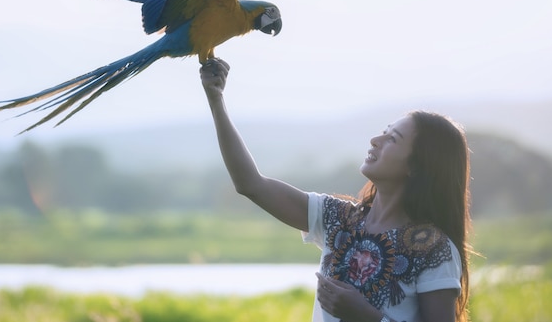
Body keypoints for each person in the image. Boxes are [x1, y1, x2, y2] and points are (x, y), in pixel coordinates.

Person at [200, 58, 472, 322]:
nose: (375, 140)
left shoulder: (433, 249)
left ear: (416, 166)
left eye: (393, 139)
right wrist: (216, 100)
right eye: (383, 131)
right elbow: (251, 184)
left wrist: (368, 318)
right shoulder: (338, 217)